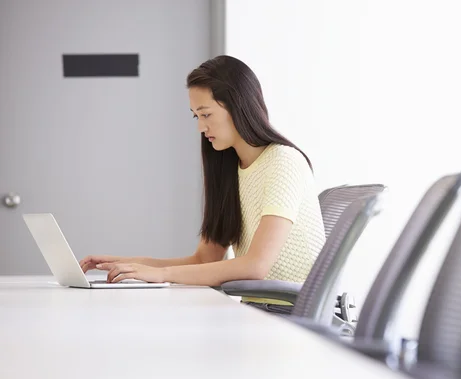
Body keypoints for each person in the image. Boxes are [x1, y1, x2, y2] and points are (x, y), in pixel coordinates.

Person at [79, 55, 326, 308]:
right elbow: (204, 259)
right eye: (196, 116)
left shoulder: (283, 161)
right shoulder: (230, 168)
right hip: (258, 313)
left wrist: (162, 276)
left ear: (238, 107)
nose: (200, 127)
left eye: (206, 114)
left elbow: (255, 266)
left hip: (293, 319)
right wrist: (129, 266)